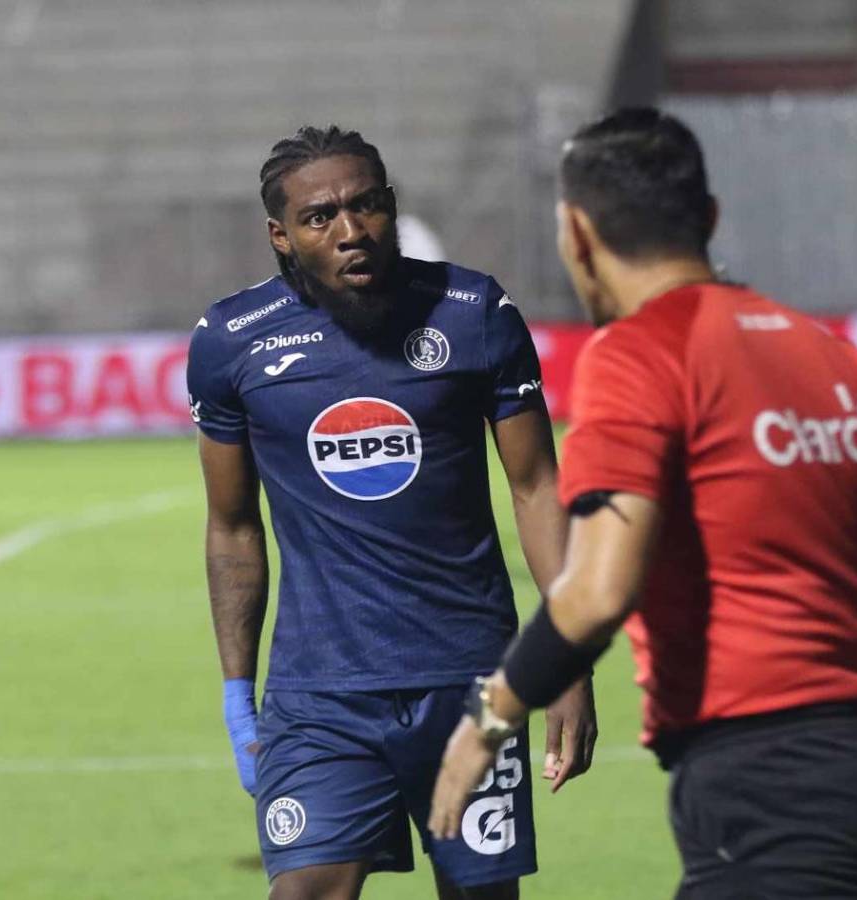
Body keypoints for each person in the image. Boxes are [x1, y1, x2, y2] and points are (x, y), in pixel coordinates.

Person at [429, 108, 857, 900]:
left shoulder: (639, 355)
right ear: (709, 218)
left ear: (575, 233)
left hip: (766, 783)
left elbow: (600, 589)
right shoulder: (828, 355)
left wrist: (486, 721)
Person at [186, 124, 598, 900]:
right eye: (320, 218)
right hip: (320, 694)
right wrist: (238, 696)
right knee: (307, 890)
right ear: (281, 236)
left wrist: (566, 656)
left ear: (391, 206)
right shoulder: (232, 341)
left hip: (474, 683)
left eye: (367, 205)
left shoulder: (474, 312)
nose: (351, 232)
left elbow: (538, 485)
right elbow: (233, 527)